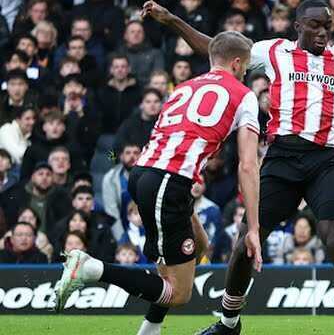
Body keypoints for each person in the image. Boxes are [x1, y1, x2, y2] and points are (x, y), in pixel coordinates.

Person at [143, 0, 334, 335]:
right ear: (298, 26)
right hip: (281, 159)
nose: (322, 32)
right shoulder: (272, 51)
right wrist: (173, 20)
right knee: (248, 240)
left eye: (327, 25)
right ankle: (229, 323)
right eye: (315, 25)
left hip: (325, 160)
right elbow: (217, 49)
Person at [51, 30, 263, 335]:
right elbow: (247, 164)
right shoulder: (244, 95)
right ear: (237, 63)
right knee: (179, 293)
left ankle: (149, 331)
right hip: (169, 182)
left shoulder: (183, 87)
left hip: (146, 175)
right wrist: (253, 227)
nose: (245, 73)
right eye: (245, 68)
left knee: (200, 244)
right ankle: (91, 268)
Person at [102, 143, 142, 241]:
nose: (132, 156)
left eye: (136, 153)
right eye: (128, 153)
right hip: (121, 231)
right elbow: (112, 214)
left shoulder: (151, 178)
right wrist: (122, 240)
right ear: (121, 157)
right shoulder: (110, 178)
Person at [97, 54, 142, 135]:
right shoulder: (102, 91)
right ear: (111, 70)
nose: (120, 70)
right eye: (116, 67)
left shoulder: (138, 90)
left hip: (132, 134)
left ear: (129, 69)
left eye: (123, 67)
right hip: (107, 134)